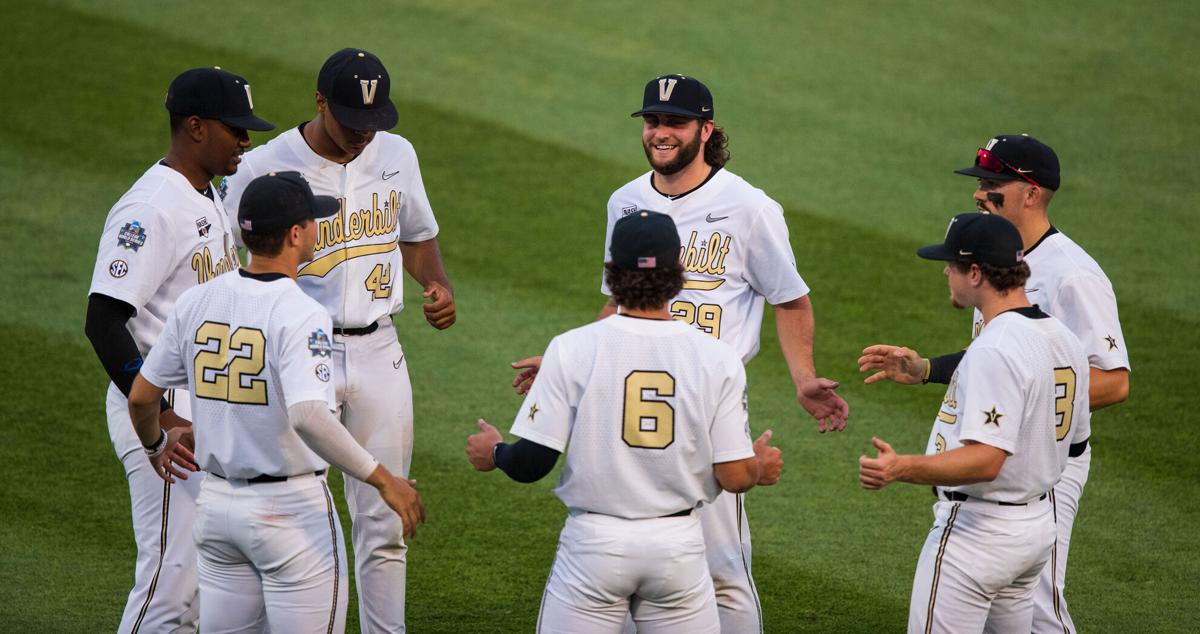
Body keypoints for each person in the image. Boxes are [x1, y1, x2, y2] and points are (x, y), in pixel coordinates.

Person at [512, 73, 847, 633]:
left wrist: (803, 377)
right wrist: (575, 359)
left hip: (706, 399)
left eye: (675, 122)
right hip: (629, 391)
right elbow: (617, 302)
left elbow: (790, 299)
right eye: (652, 121)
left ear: (705, 129)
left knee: (723, 568)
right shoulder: (626, 201)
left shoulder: (750, 208)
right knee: (639, 561)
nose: (661, 132)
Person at [127, 171, 425, 633]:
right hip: (291, 516)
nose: (318, 229)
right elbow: (309, 416)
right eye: (312, 221)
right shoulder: (302, 312)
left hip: (218, 510)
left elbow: (143, 397)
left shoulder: (198, 301)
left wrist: (154, 445)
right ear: (294, 234)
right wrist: (384, 480)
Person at [219, 48, 454, 632]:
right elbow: (227, 261)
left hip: (378, 348)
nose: (363, 135)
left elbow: (417, 234)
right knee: (290, 505)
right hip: (296, 353)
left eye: (374, 123)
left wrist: (437, 284)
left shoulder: (396, 154)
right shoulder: (265, 167)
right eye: (351, 121)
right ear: (319, 102)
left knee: (386, 518)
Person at [858, 134, 1129, 633]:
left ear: (1031, 193)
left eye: (994, 185)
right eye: (980, 184)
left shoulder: (1072, 275)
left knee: (1043, 610)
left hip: (1037, 464)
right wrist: (926, 370)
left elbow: (1112, 381)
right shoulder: (1019, 304)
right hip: (1021, 460)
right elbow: (1013, 357)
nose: (981, 194)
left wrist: (1023, 424)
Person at [470, 210, 783, 633]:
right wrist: (759, 467)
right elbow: (734, 475)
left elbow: (531, 463)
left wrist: (493, 451)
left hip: (594, 548)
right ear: (678, 272)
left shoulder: (572, 348)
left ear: (613, 272)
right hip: (679, 550)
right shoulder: (717, 358)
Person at [84, 66, 273, 633]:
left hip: (200, 409)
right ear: (195, 127)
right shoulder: (151, 209)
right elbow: (103, 320)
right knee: (173, 587)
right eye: (234, 129)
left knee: (214, 584)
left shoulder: (205, 190)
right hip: (161, 415)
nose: (246, 139)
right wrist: (157, 416)